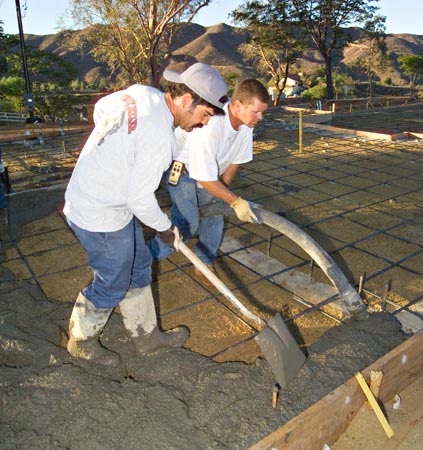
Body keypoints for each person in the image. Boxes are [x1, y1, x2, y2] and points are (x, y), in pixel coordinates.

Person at [63, 62, 228, 366]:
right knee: (113, 277)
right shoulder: (159, 137)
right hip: (98, 212)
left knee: (140, 263)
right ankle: (82, 340)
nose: (204, 124)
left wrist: (116, 152)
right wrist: (167, 229)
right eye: (205, 114)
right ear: (187, 100)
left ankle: (146, 335)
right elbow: (140, 200)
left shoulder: (143, 94)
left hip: (109, 199)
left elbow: (102, 108)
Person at [149, 79, 269, 287]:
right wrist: (236, 202)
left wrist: (223, 194)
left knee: (215, 215)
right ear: (238, 105)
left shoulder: (246, 124)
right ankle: (146, 259)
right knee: (187, 223)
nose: (260, 117)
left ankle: (204, 263)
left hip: (211, 175)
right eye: (256, 112)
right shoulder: (212, 123)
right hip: (183, 171)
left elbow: (235, 161)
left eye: (261, 113)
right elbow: (203, 176)